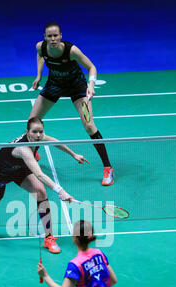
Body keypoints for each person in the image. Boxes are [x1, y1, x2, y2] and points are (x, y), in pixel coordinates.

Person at [0, 117, 88, 254]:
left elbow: (55, 142)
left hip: (19, 169)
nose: (38, 135)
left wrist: (74, 154)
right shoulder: (23, 149)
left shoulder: (39, 137)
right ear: (27, 132)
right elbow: (39, 174)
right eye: (35, 132)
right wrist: (60, 191)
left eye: (41, 131)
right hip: (0, 174)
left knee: (41, 192)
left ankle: (49, 237)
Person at [29, 22, 114, 186]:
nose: (52, 39)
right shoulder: (41, 47)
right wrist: (39, 75)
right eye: (49, 36)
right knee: (33, 120)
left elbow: (91, 67)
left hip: (77, 88)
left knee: (89, 126)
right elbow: (40, 55)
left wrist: (91, 85)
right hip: (54, 85)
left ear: (60, 36)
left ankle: (108, 168)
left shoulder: (71, 51)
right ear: (45, 37)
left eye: (55, 36)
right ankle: (35, 153)